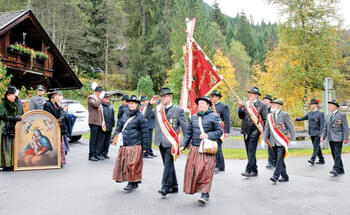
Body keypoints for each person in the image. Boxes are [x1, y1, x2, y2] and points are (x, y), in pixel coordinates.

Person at [181, 96, 223, 205]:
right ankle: (201, 190)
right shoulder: (194, 117)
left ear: (208, 105)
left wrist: (208, 135)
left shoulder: (214, 117)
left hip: (207, 149)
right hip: (195, 149)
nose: (200, 106)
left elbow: (220, 132)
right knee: (194, 171)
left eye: (202, 104)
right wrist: (182, 145)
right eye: (199, 104)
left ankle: (204, 193)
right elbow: (188, 134)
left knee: (206, 171)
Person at [150, 87, 188, 197]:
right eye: (161, 96)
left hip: (172, 143)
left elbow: (186, 128)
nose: (162, 98)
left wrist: (184, 144)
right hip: (160, 141)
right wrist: (150, 105)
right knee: (168, 164)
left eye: (165, 96)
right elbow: (146, 116)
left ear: (170, 97)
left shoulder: (178, 110)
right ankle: (174, 186)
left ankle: (165, 187)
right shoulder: (157, 109)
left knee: (168, 164)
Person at [112, 95, 150, 192]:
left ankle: (131, 183)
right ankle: (133, 181)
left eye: (133, 103)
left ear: (137, 105)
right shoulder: (124, 115)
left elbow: (145, 132)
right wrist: (114, 137)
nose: (131, 105)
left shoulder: (141, 117)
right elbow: (118, 127)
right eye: (130, 103)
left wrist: (145, 147)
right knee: (125, 164)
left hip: (135, 145)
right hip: (125, 144)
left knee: (132, 165)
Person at [262, 98, 296, 184]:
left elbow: (291, 127)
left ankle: (275, 176)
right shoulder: (269, 116)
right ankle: (285, 176)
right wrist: (263, 140)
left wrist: (293, 139)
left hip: (282, 141)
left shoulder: (285, 115)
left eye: (274, 104)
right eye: (272, 104)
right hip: (273, 142)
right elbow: (266, 129)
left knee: (279, 159)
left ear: (278, 106)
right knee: (279, 160)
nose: (272, 105)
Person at [238, 87, 268, 177]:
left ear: (257, 95)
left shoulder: (262, 105)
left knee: (251, 151)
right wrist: (240, 108)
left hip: (255, 130)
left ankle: (249, 170)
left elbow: (265, 119)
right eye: (250, 93)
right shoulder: (246, 104)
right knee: (249, 151)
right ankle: (254, 170)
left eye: (253, 93)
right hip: (245, 130)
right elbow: (241, 116)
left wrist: (265, 133)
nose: (251, 95)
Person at [321, 100, 349, 176]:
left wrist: (346, 138)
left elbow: (345, 127)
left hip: (338, 137)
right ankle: (341, 169)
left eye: (331, 105)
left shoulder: (341, 115)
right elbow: (325, 127)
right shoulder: (328, 115)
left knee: (337, 154)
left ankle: (335, 169)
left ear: (335, 106)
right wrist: (323, 136)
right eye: (329, 105)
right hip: (330, 137)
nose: (329, 107)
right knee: (334, 154)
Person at [295, 98, 325, 165]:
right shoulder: (309, 113)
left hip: (318, 133)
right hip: (312, 132)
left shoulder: (320, 113)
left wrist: (322, 134)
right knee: (316, 146)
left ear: (316, 105)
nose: (311, 105)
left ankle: (312, 159)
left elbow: (323, 124)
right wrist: (297, 119)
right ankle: (321, 159)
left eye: (312, 104)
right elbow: (304, 117)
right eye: (310, 104)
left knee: (316, 147)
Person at [44, 90, 69, 166]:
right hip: (52, 128)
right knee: (54, 145)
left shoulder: (56, 105)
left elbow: (61, 115)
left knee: (60, 144)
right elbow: (49, 117)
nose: (58, 97)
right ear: (53, 97)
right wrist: (62, 114)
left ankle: (59, 161)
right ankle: (54, 161)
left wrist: (63, 112)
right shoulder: (47, 105)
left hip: (59, 128)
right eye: (57, 96)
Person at [0, 86, 22, 171]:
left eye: (14, 95)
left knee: (13, 145)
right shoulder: (3, 104)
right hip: (5, 126)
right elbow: (2, 115)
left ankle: (12, 163)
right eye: (12, 95)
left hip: (13, 126)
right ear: (7, 96)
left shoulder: (15, 104)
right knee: (6, 146)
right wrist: (13, 118)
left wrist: (18, 117)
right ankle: (6, 164)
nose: (13, 97)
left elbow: (18, 113)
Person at [210, 90, 230, 173]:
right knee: (214, 148)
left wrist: (227, 132)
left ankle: (219, 165)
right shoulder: (210, 106)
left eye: (213, 96)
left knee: (218, 148)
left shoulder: (223, 106)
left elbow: (227, 119)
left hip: (220, 129)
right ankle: (220, 166)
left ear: (218, 97)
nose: (212, 98)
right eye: (212, 96)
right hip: (212, 130)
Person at [87, 86, 105, 161]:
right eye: (100, 93)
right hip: (93, 121)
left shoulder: (98, 99)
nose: (101, 94)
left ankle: (96, 154)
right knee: (93, 140)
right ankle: (91, 155)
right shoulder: (90, 98)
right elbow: (96, 105)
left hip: (99, 122)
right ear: (97, 92)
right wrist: (100, 98)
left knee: (98, 139)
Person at [99, 93, 115, 159]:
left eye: (107, 98)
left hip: (109, 126)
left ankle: (105, 153)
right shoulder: (100, 106)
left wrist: (113, 124)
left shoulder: (110, 106)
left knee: (107, 141)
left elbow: (113, 116)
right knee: (101, 141)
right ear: (102, 99)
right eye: (105, 98)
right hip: (103, 127)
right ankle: (100, 153)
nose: (107, 99)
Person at [262, 94, 276, 169]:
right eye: (264, 99)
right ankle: (270, 161)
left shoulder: (273, 109)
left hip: (273, 130)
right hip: (266, 130)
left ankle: (274, 161)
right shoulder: (263, 109)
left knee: (274, 146)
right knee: (269, 146)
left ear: (270, 102)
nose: (264, 101)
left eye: (266, 100)